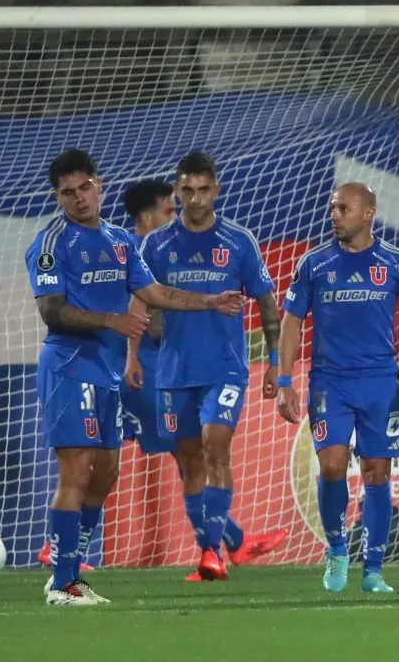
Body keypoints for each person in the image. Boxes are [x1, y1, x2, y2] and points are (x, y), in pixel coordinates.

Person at [27, 149, 243, 605]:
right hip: (68, 367)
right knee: (77, 470)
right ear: (58, 197)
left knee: (106, 471)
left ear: (99, 185)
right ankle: (65, 581)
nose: (79, 198)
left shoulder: (120, 241)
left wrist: (211, 301)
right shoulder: (51, 244)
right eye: (68, 192)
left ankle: (66, 567)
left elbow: (156, 293)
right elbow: (51, 311)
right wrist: (111, 320)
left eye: (85, 187)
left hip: (105, 374)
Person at [277, 182, 399, 593]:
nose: (335, 214)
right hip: (329, 383)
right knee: (332, 466)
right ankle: (336, 550)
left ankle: (373, 569)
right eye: (333, 207)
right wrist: (284, 381)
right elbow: (291, 323)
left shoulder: (395, 263)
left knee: (377, 473)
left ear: (368, 213)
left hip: (380, 384)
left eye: (343, 208)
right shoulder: (313, 264)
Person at [120, 180, 287, 580]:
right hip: (140, 371)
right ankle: (230, 542)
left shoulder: (198, 246)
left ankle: (222, 545)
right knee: (108, 457)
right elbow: (142, 311)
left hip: (168, 366)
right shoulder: (140, 252)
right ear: (147, 218)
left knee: (198, 455)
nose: (176, 213)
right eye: (167, 209)